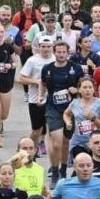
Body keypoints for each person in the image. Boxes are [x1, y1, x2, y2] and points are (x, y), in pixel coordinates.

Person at [39, 40, 84, 188]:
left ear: (68, 52)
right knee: (56, 143)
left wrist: (76, 91)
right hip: (53, 108)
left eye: (64, 52)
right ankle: (55, 172)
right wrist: (41, 95)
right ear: (54, 52)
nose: (61, 54)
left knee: (65, 143)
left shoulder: (75, 68)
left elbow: (84, 86)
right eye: (58, 52)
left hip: (71, 109)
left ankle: (63, 171)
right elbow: (43, 82)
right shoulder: (47, 68)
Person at [18, 36, 55, 148]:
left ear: (52, 47)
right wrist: (37, 81)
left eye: (48, 47)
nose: (46, 49)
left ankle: (42, 145)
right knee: (36, 129)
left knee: (53, 129)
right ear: (39, 47)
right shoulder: (32, 60)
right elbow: (21, 79)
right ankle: (28, 149)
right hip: (35, 99)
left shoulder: (55, 59)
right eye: (43, 46)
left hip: (52, 99)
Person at [64, 77, 100, 157]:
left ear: (93, 89)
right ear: (79, 90)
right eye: (84, 87)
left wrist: (93, 118)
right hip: (78, 141)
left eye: (90, 87)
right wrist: (68, 122)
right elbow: (66, 114)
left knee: (94, 167)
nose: (87, 90)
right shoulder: (74, 103)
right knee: (81, 164)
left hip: (96, 141)